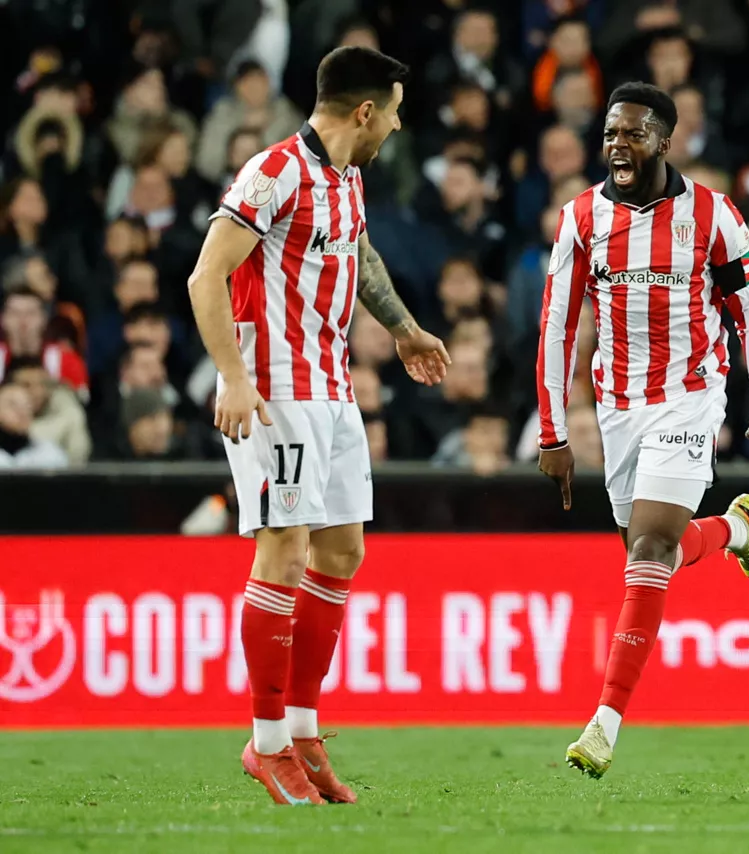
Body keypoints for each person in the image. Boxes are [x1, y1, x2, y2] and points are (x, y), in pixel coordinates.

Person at [186, 46, 450, 806]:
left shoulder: (347, 177)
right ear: (364, 111)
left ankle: (302, 731)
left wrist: (401, 326)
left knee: (342, 548)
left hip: (333, 390)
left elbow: (356, 251)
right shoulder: (274, 174)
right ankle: (266, 743)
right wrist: (232, 377)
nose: (396, 127)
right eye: (393, 113)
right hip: (274, 390)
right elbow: (207, 274)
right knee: (286, 550)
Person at [537, 83, 749, 779]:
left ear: (664, 141)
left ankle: (604, 724)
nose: (618, 144)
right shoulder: (581, 218)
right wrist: (554, 434)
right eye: (611, 133)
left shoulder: (712, 215)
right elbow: (557, 327)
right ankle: (735, 530)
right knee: (655, 555)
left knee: (647, 548)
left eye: (633, 134)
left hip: (691, 396)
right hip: (617, 408)